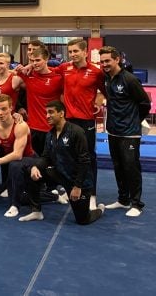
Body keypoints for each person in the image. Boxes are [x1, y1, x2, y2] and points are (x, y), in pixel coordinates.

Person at [19, 101, 106, 224]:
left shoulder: (76, 132)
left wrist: (77, 186)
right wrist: (35, 167)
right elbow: (45, 157)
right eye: (46, 113)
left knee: (82, 220)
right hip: (60, 174)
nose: (47, 116)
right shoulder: (50, 135)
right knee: (29, 170)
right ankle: (36, 211)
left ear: (61, 113)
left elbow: (85, 160)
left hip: (77, 181)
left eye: (51, 112)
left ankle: (100, 210)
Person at [100, 46, 150, 217]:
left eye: (107, 61)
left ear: (117, 60)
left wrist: (134, 120)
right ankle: (123, 199)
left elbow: (145, 104)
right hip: (113, 131)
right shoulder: (106, 78)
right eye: (102, 61)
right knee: (118, 167)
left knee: (131, 167)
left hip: (129, 132)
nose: (104, 64)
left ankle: (136, 203)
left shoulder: (129, 79)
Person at [54, 39, 104, 209]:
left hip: (86, 120)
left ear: (85, 52)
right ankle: (73, 189)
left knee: (89, 157)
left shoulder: (96, 72)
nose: (73, 55)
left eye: (76, 51)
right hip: (68, 120)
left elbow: (104, 92)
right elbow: (46, 71)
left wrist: (97, 102)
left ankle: (91, 195)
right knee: (69, 157)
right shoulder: (64, 68)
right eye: (70, 51)